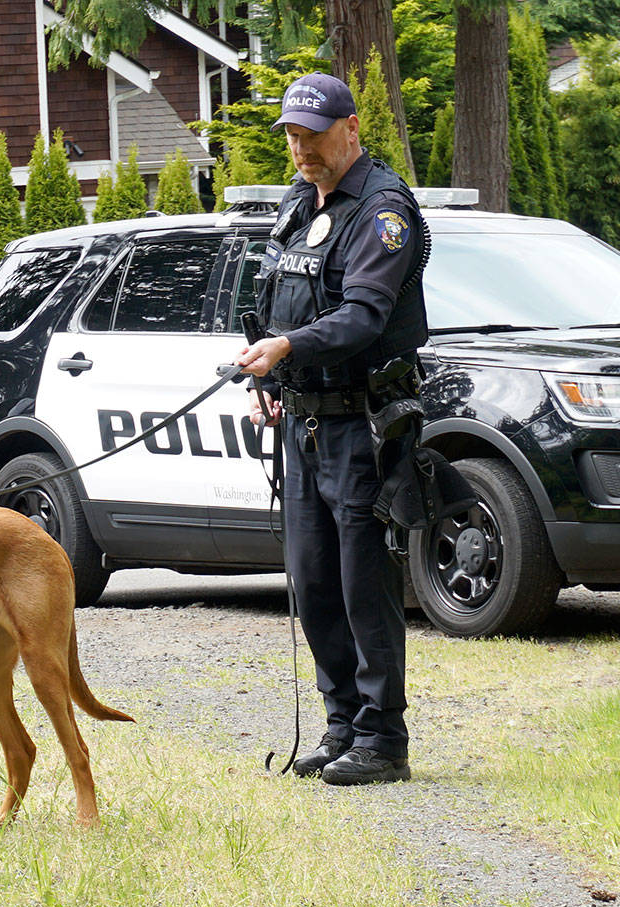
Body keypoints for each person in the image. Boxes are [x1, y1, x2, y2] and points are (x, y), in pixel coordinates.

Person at [235, 73, 428, 786]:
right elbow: (273, 303)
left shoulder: (382, 208)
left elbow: (363, 316)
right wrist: (268, 380)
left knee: (361, 582)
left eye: (313, 134)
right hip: (304, 424)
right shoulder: (295, 203)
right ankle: (342, 723)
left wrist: (289, 348)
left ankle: (384, 737)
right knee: (313, 579)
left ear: (351, 128)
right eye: (291, 135)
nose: (300, 148)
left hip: (364, 427)